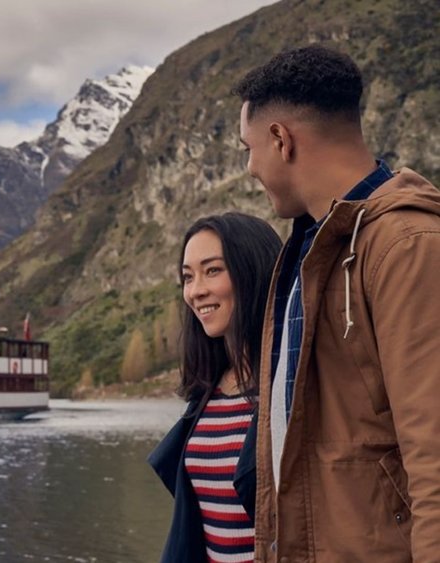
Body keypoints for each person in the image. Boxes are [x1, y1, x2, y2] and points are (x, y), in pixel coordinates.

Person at [234, 45, 440, 559]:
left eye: (248, 149)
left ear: (281, 139)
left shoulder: (407, 245)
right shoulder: (310, 250)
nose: (250, 168)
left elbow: (434, 454)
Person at [148, 213, 281, 562]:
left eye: (212, 270)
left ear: (252, 271)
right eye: (188, 277)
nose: (196, 291)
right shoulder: (205, 394)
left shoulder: (291, 385)